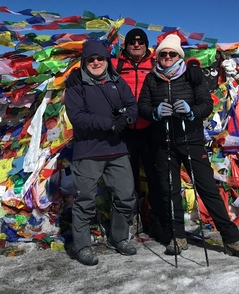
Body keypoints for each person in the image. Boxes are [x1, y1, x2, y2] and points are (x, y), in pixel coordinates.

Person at [67, 29, 204, 241]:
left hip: (151, 128)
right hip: (124, 132)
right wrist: (76, 72)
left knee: (157, 180)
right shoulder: (116, 64)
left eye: (141, 42)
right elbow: (94, 63)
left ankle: (161, 223)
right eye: (132, 42)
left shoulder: (157, 60)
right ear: (126, 45)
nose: (137, 45)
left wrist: (194, 63)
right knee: (126, 183)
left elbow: (179, 57)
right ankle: (129, 224)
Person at [138, 34, 239, 258]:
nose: (167, 57)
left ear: (179, 56)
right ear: (157, 57)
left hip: (190, 140)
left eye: (172, 53)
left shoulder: (191, 75)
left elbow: (206, 104)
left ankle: (231, 240)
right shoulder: (151, 79)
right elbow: (142, 106)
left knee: (207, 189)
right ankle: (178, 236)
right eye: (163, 54)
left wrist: (192, 111)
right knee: (170, 191)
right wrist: (154, 112)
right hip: (162, 143)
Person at [65, 39, 138, 266]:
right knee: (85, 199)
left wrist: (126, 119)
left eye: (100, 58)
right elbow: (77, 117)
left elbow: (132, 106)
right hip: (88, 152)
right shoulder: (76, 86)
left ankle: (118, 238)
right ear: (84, 62)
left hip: (117, 150)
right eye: (91, 59)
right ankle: (83, 247)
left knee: (126, 196)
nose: (96, 62)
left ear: (107, 60)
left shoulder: (118, 81)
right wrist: (109, 123)